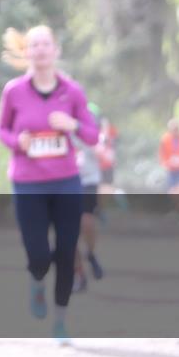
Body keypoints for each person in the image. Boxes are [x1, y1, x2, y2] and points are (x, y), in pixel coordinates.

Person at [0, 25, 99, 345]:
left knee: (67, 252)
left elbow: (93, 136)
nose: (40, 49)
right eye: (34, 44)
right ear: (27, 52)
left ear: (56, 50)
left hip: (66, 182)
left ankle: (60, 320)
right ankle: (37, 280)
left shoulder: (72, 91)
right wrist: (19, 141)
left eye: (46, 44)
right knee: (39, 255)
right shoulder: (14, 91)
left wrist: (73, 124)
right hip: (28, 184)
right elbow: (1, 131)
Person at [72, 103, 104, 293]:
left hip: (88, 181)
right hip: (65, 181)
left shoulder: (92, 127)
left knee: (86, 221)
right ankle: (79, 273)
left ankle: (90, 254)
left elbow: (103, 150)